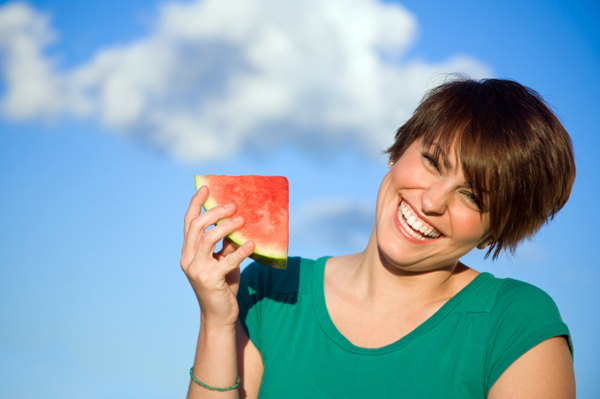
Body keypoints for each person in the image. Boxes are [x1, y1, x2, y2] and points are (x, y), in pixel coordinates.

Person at [180, 77, 576, 398]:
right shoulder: (272, 291)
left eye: (472, 196)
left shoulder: (516, 324)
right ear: (397, 151)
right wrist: (217, 322)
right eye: (432, 162)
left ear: (496, 233)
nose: (432, 201)